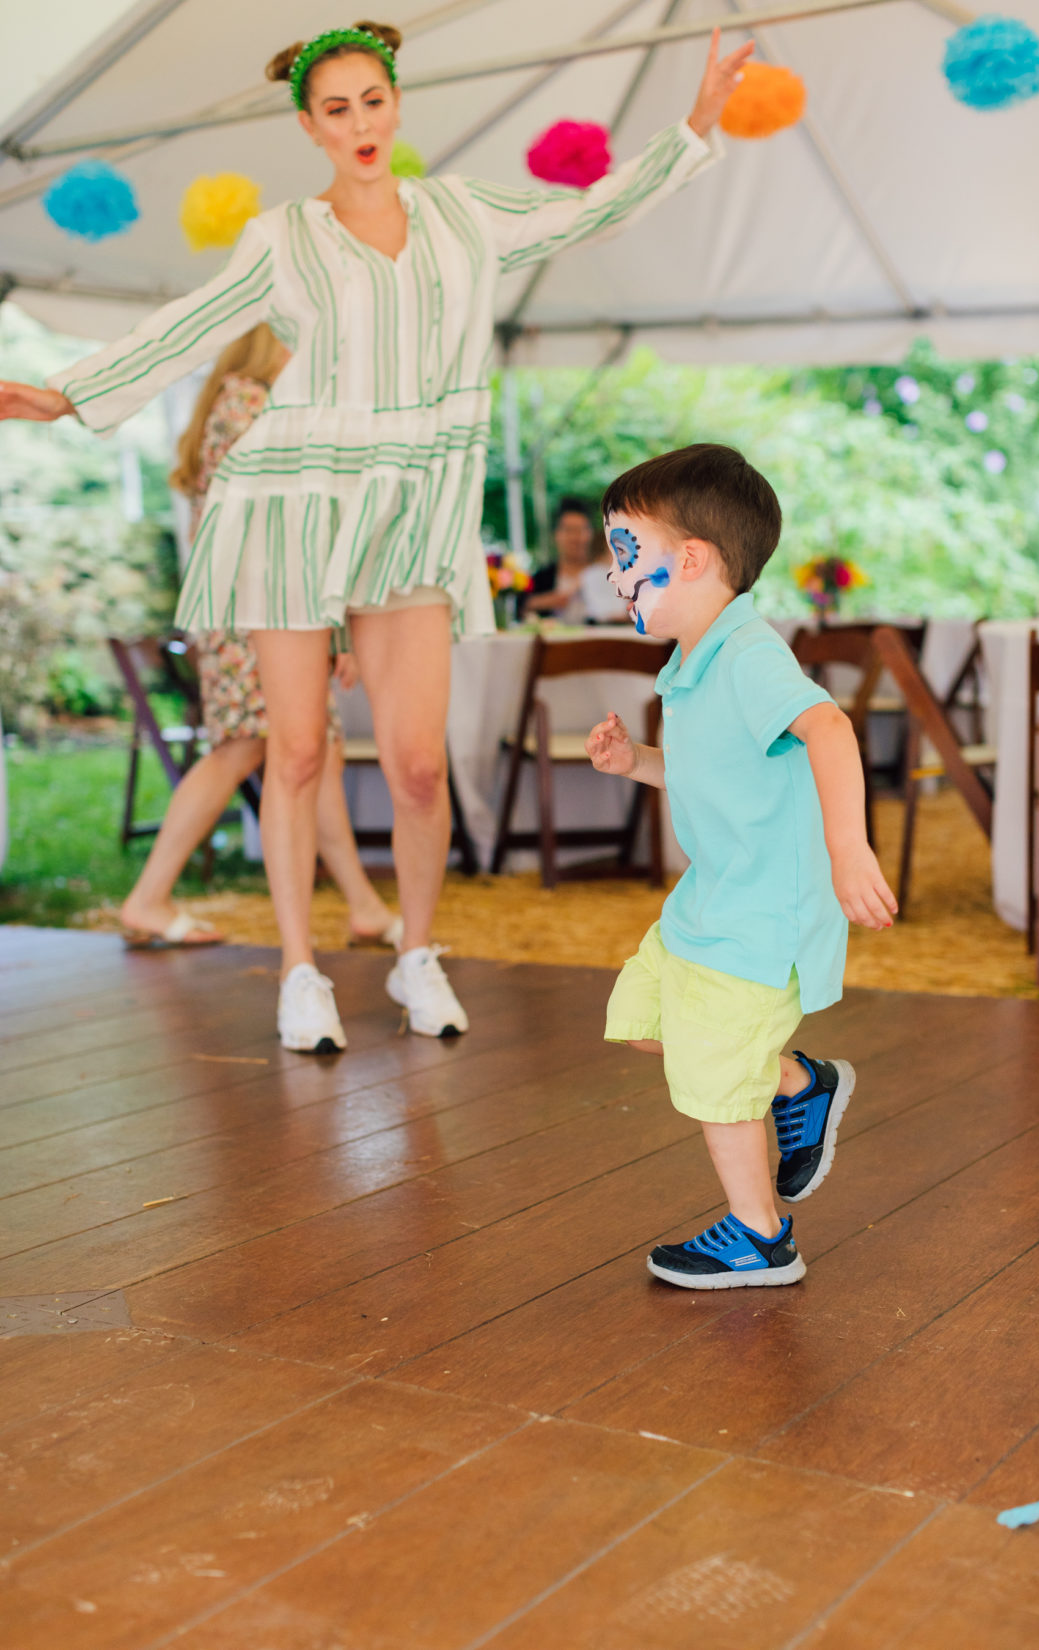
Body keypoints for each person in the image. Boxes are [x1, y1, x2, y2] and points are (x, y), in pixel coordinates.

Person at [0, 20, 753, 1053]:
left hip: (413, 511)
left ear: (395, 105)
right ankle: (300, 974)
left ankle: (414, 957)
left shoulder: (464, 213)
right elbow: (188, 322)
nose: (359, 123)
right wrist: (67, 395)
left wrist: (696, 118)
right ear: (309, 126)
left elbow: (591, 213)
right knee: (298, 752)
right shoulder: (282, 238)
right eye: (336, 109)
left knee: (413, 768)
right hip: (293, 507)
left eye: (372, 102)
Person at [585, 444, 897, 1289]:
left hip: (759, 911)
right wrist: (637, 762)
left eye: (627, 558)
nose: (617, 583)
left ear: (692, 560)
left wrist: (848, 849)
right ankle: (799, 1083)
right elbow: (712, 767)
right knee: (650, 1020)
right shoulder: (692, 663)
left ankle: (762, 1237)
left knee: (716, 1075)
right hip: (708, 902)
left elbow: (827, 730)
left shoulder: (750, 654)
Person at [119, 325, 401, 968]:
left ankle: (362, 904)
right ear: (274, 343)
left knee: (309, 753)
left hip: (247, 605)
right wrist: (336, 623)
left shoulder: (229, 404)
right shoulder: (254, 405)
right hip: (262, 607)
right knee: (250, 748)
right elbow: (296, 522)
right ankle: (150, 896)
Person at [521, 496, 623, 624]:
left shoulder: (608, 573)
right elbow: (522, 609)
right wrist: (539, 602)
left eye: (582, 529)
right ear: (555, 535)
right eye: (568, 530)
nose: (576, 537)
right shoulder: (541, 578)